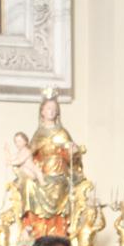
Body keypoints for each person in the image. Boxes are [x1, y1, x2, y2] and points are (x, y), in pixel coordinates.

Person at [20, 94, 81, 237]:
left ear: (58, 112)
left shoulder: (62, 133)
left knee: (59, 187)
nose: (51, 111)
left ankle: (58, 230)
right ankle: (31, 227)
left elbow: (71, 157)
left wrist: (73, 151)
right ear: (42, 111)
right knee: (28, 184)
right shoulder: (38, 134)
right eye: (48, 108)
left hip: (59, 173)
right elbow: (30, 154)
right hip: (42, 172)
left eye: (54, 108)